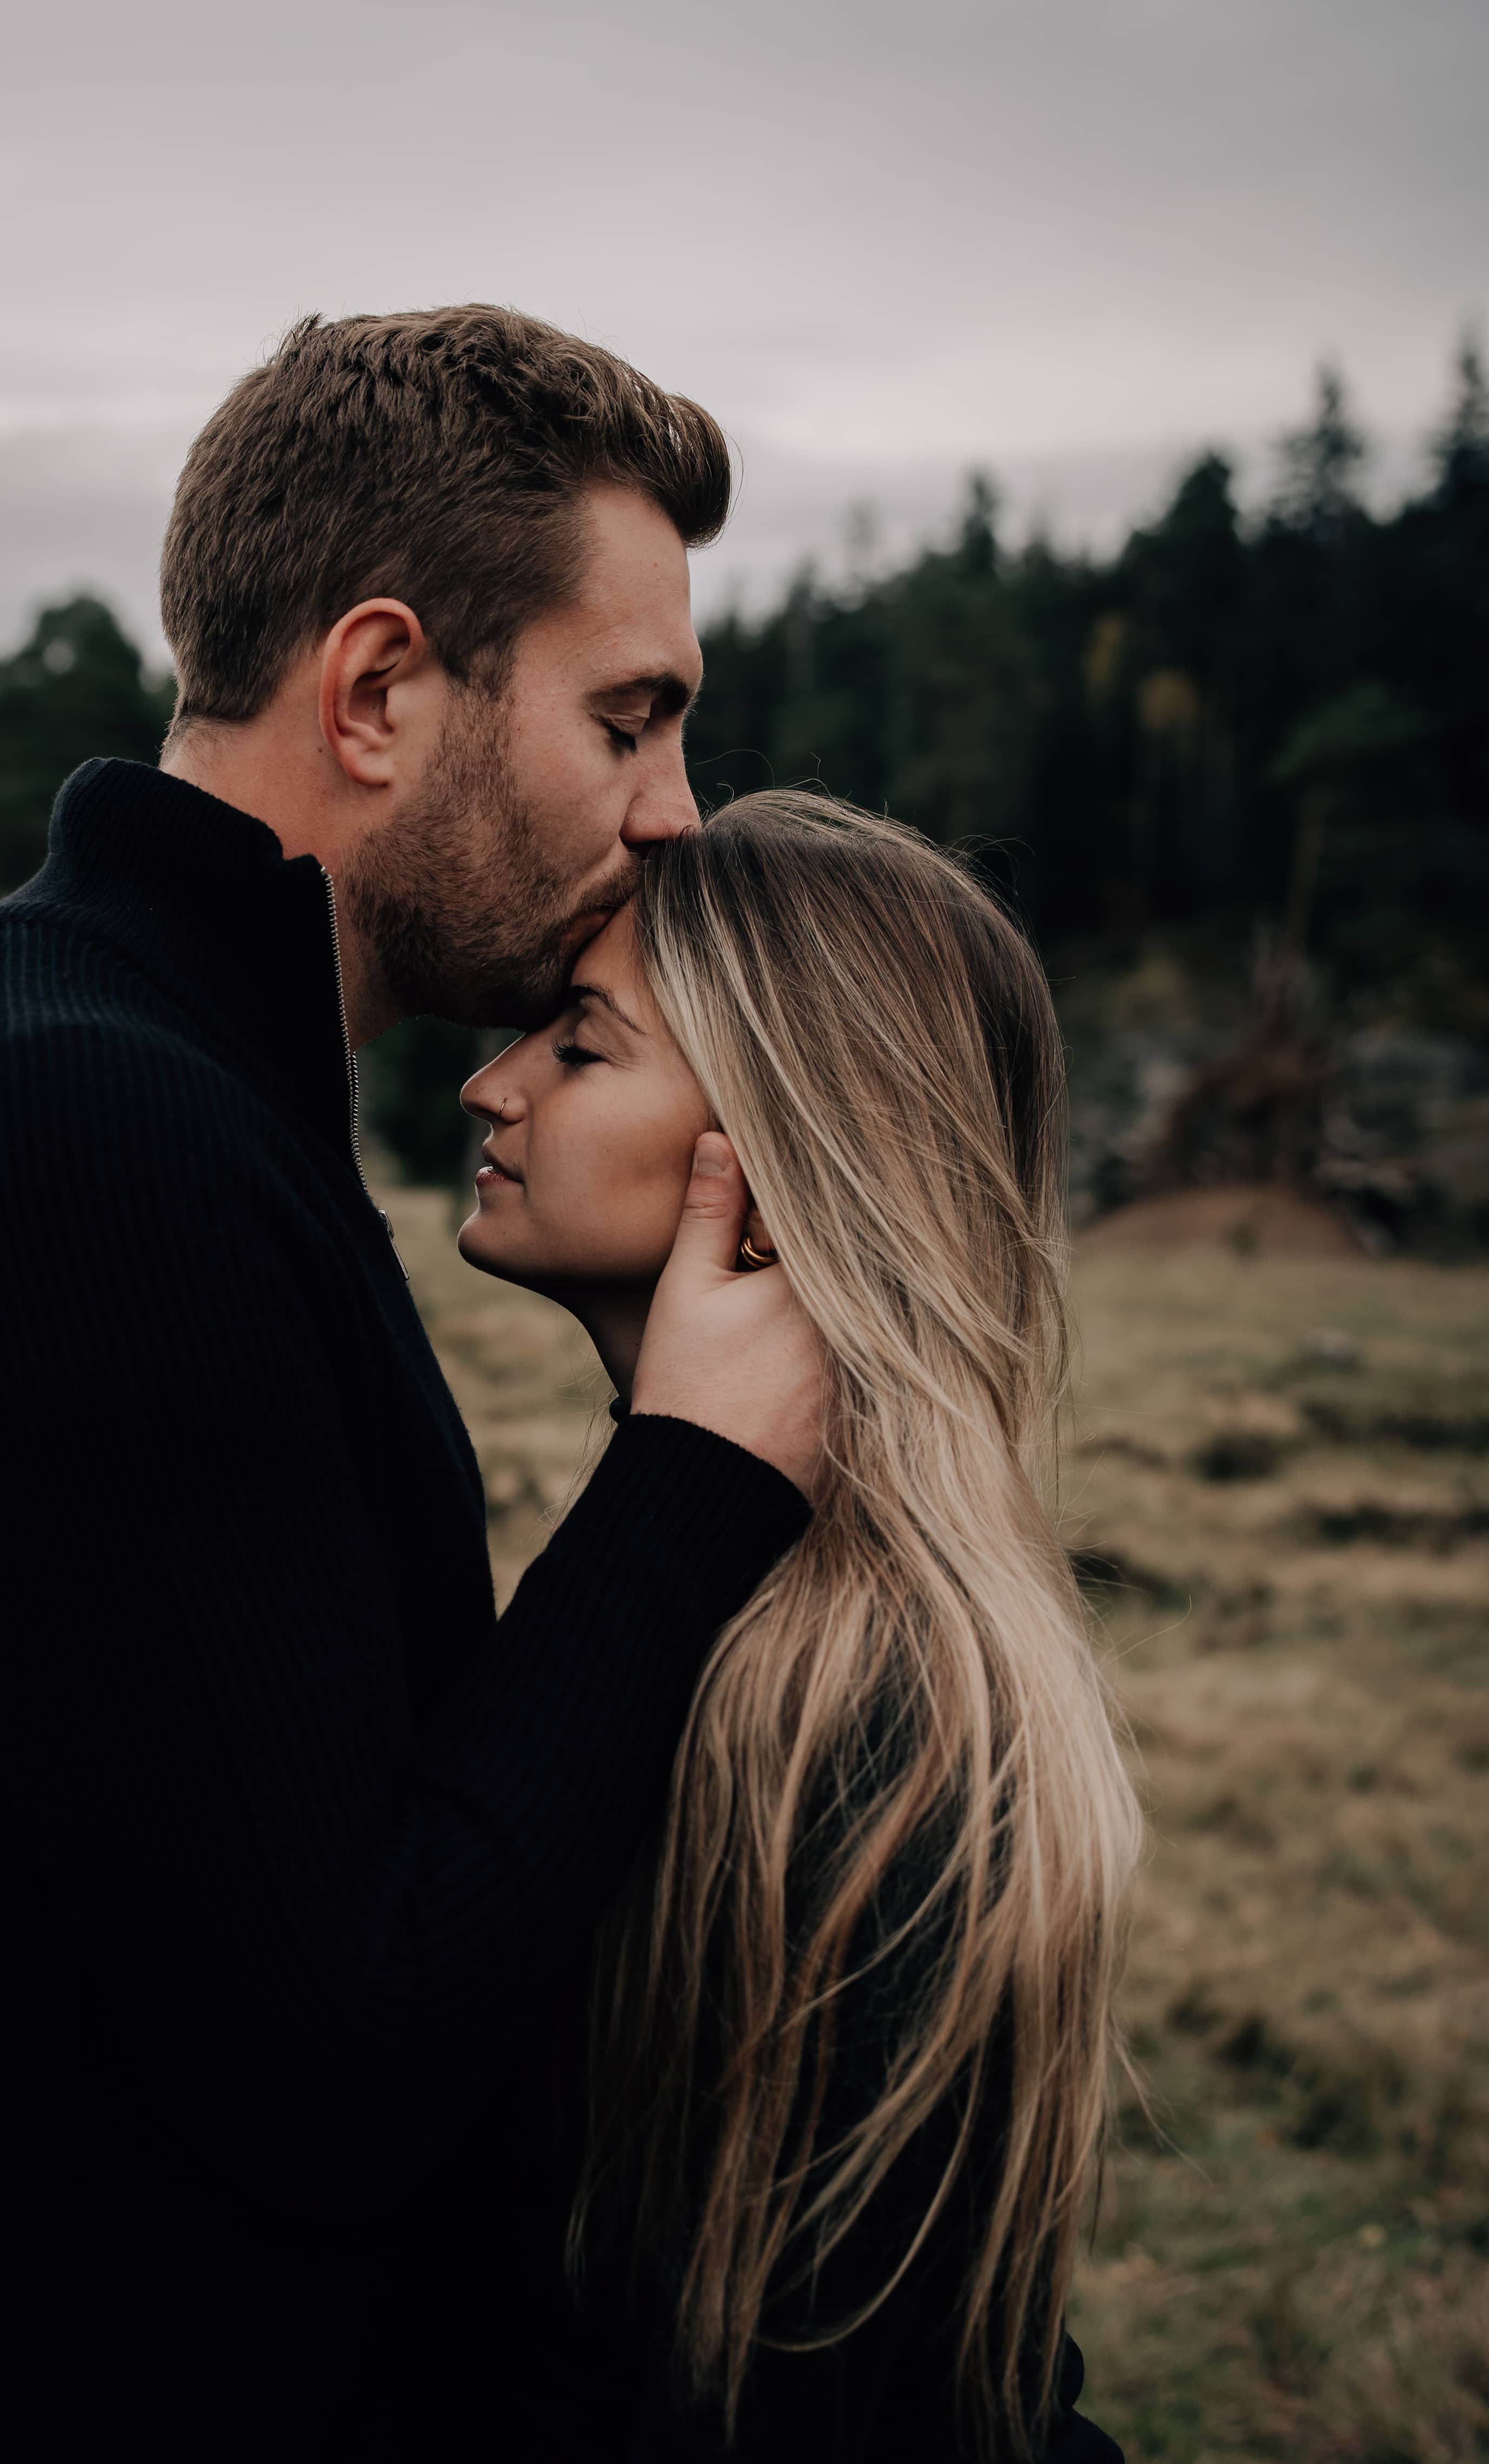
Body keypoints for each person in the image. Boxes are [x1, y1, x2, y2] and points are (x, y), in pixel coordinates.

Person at [0, 308, 825, 2460]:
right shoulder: (87, 1150)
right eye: (629, 718)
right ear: (383, 687)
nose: (673, 811)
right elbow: (344, 2040)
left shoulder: (118, 1063)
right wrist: (691, 1472)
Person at [455, 790, 1141, 2461]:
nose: (490, 1082)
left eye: (582, 1047)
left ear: (760, 1176)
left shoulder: (844, 1707)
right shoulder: (711, 1586)